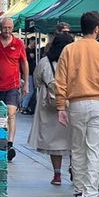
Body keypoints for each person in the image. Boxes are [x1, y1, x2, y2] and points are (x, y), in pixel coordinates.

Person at [55, 11, 99, 197]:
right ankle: (90, 196)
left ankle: (79, 192)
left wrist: (61, 106)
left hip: (75, 104)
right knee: (95, 151)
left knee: (77, 150)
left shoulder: (69, 50)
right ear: (97, 28)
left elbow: (60, 81)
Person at [27, 33, 74, 185]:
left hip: (49, 105)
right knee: (74, 140)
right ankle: (75, 168)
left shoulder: (45, 61)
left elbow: (36, 80)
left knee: (55, 143)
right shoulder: (74, 61)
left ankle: (57, 174)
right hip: (70, 104)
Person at [0, 17, 29, 162]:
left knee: (11, 112)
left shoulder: (19, 43)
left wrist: (26, 83)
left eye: (10, 28)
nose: (7, 31)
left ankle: (9, 144)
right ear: (0, 27)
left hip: (12, 85)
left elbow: (24, 62)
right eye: (5, 28)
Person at [21, 36, 37, 115]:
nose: (35, 44)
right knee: (30, 91)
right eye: (34, 42)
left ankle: (25, 105)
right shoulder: (26, 51)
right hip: (29, 73)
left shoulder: (35, 51)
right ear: (30, 41)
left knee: (31, 90)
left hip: (33, 73)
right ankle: (24, 106)